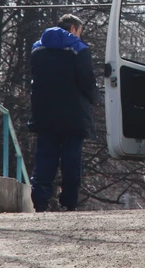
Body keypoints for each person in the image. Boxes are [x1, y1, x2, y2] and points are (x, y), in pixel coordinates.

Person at [28, 13, 98, 212]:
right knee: (71, 160)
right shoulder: (79, 50)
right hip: (73, 116)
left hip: (44, 114)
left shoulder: (37, 49)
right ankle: (68, 202)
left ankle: (40, 201)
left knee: (45, 157)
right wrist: (95, 98)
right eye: (79, 32)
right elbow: (87, 81)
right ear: (74, 29)